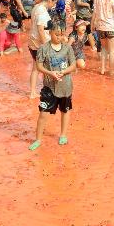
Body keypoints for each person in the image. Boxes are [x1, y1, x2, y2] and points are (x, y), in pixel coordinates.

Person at [29, 22, 76, 150]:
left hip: (65, 86)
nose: (59, 37)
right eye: (56, 34)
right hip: (49, 87)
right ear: (50, 33)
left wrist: (63, 72)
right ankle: (38, 139)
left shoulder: (68, 48)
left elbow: (73, 65)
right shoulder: (44, 48)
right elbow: (39, 66)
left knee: (65, 111)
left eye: (62, 35)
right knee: (43, 113)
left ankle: (63, 134)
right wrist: (50, 73)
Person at [28, 0, 56, 98]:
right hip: (39, 44)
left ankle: (32, 92)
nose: (53, 5)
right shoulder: (42, 12)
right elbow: (40, 29)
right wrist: (46, 45)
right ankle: (48, 91)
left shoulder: (36, 7)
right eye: (54, 3)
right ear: (49, 0)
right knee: (47, 69)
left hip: (33, 42)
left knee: (35, 68)